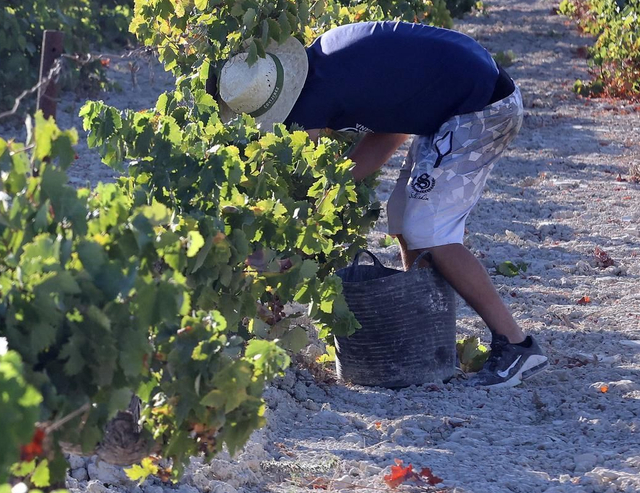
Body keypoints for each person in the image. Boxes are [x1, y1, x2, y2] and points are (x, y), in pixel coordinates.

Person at [218, 20, 545, 389]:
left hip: (482, 109)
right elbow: (392, 128)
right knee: (404, 214)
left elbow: (296, 184)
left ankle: (516, 345)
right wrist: (332, 191)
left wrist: (281, 243)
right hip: (458, 106)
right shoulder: (328, 61)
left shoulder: (311, 102)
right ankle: (428, 336)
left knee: (428, 230)